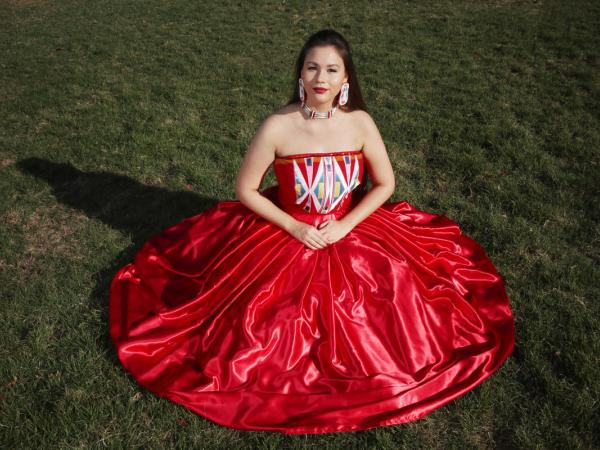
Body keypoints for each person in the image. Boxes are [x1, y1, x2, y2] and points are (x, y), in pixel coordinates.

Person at [109, 29, 515, 434]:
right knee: (265, 323)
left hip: (351, 227)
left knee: (394, 306)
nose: (321, 77)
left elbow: (385, 185)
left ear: (345, 80)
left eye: (332, 69)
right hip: (286, 231)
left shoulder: (360, 123)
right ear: (300, 74)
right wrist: (293, 228)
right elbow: (245, 190)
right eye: (312, 67)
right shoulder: (278, 126)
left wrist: (344, 225)